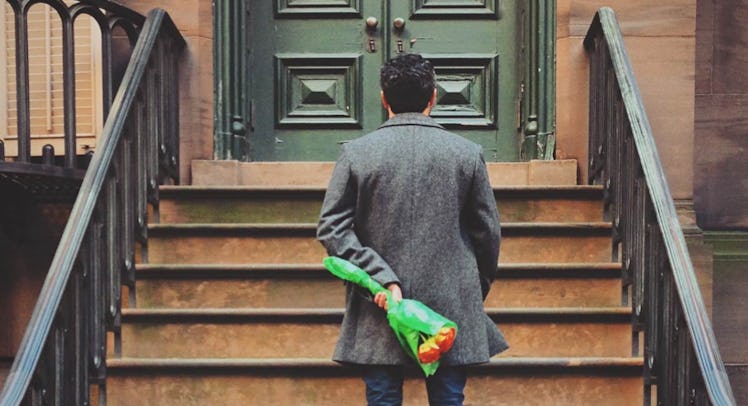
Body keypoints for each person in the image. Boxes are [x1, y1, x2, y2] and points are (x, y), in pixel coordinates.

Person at [317, 53, 507, 406]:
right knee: (449, 399)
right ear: (433, 97)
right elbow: (487, 232)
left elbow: (332, 227)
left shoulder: (357, 154)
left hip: (381, 304)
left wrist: (380, 277)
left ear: (383, 98)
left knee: (383, 398)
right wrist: (471, 288)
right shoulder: (466, 153)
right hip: (450, 302)